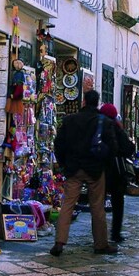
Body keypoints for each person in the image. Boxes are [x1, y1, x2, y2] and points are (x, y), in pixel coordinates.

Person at [52, 90, 118, 256]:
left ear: (83, 101)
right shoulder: (103, 122)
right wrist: (105, 165)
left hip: (74, 168)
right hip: (95, 169)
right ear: (97, 103)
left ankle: (59, 242)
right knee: (97, 207)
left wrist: (64, 164)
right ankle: (101, 244)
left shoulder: (70, 120)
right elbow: (112, 148)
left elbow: (59, 144)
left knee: (67, 205)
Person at [99, 103, 136, 243]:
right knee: (118, 204)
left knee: (98, 204)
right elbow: (129, 148)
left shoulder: (97, 126)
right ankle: (115, 233)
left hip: (99, 169)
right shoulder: (116, 128)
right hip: (116, 170)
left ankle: (98, 234)